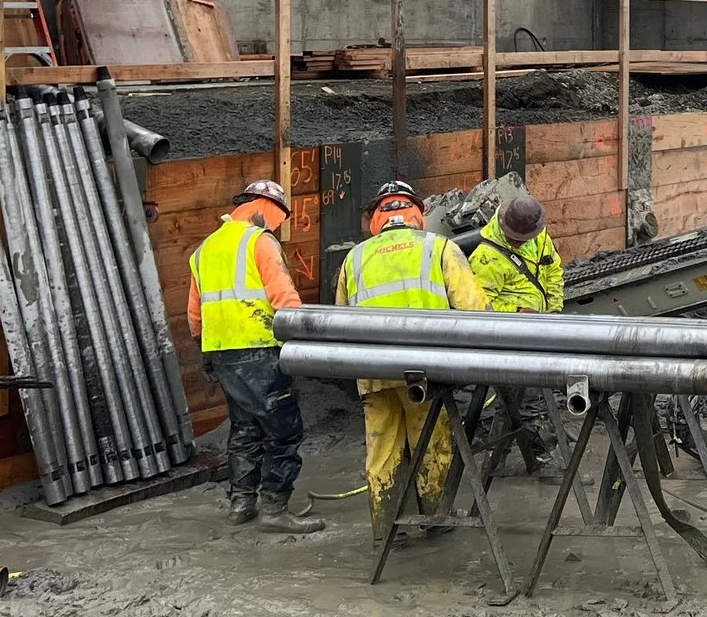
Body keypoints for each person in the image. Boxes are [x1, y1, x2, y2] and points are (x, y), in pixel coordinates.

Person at [337, 178, 486, 538]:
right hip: (424, 373)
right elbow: (475, 309)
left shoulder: (354, 258)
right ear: (417, 215)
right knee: (431, 444)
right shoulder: (439, 248)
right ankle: (436, 518)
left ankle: (386, 527)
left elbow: (339, 318)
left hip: (372, 373)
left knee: (381, 451)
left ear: (376, 220)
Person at [186, 179, 323, 533]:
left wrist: (205, 350)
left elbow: (195, 313)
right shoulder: (259, 242)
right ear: (265, 211)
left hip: (221, 353)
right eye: (277, 220)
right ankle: (275, 510)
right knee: (283, 431)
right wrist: (302, 338)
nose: (276, 228)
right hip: (259, 351)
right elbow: (283, 296)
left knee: (245, 428)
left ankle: (241, 504)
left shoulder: (204, 249)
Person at [470, 191, 565, 314]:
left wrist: (554, 309)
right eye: (513, 235)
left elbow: (553, 272)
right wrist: (517, 313)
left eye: (522, 238)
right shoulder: (485, 258)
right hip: (508, 328)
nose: (516, 240)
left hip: (538, 322)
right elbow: (478, 305)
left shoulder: (540, 238)